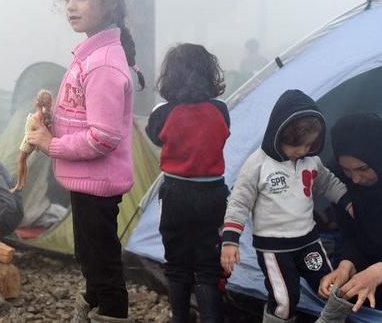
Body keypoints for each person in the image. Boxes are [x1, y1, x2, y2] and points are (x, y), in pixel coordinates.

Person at [26, 0, 143, 322]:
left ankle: (109, 313)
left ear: (109, 2)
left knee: (103, 264)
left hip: (97, 182)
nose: (71, 5)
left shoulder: (103, 63)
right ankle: (90, 305)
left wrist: (51, 145)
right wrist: (52, 118)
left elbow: (103, 137)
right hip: (85, 180)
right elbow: (83, 117)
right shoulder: (90, 54)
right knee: (90, 256)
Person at [220, 89, 353, 323]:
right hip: (274, 249)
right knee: (285, 300)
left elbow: (328, 183)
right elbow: (239, 201)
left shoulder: (311, 161)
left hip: (308, 241)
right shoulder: (258, 164)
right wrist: (231, 240)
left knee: (330, 285)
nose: (302, 151)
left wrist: (349, 203)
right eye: (296, 145)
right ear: (278, 134)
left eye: (309, 145)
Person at [144, 43, 229, 323]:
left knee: (177, 262)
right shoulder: (220, 109)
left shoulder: (162, 113)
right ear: (209, 73)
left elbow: (156, 138)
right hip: (213, 193)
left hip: (175, 194)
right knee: (207, 264)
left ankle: (180, 317)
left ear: (170, 76)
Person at [315, 113, 382, 322]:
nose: (356, 179)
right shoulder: (339, 178)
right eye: (347, 169)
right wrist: (347, 265)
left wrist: (378, 271)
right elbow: (351, 234)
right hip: (369, 262)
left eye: (363, 169)